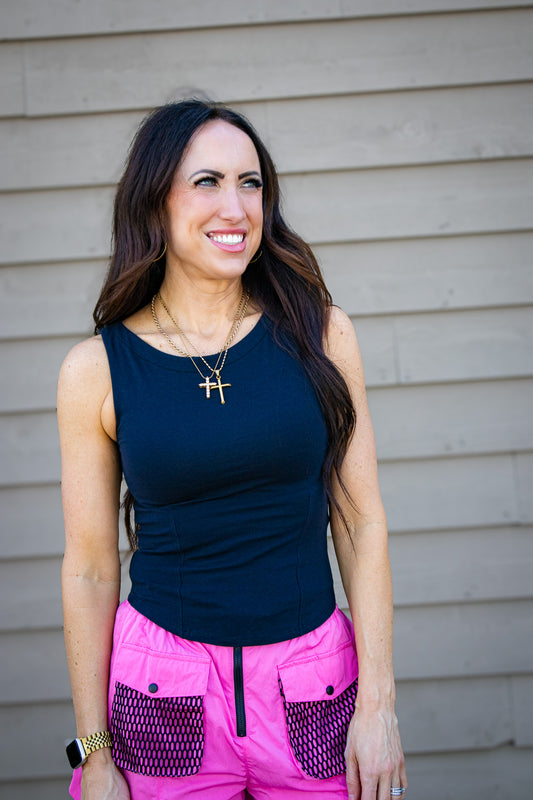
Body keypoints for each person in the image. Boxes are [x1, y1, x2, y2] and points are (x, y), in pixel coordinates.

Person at [58, 98, 407, 800]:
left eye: (251, 183)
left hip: (313, 683)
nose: (236, 206)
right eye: (207, 181)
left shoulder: (320, 334)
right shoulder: (95, 371)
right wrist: (95, 755)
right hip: (163, 691)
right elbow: (92, 569)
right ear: (155, 200)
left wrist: (378, 706)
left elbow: (361, 523)